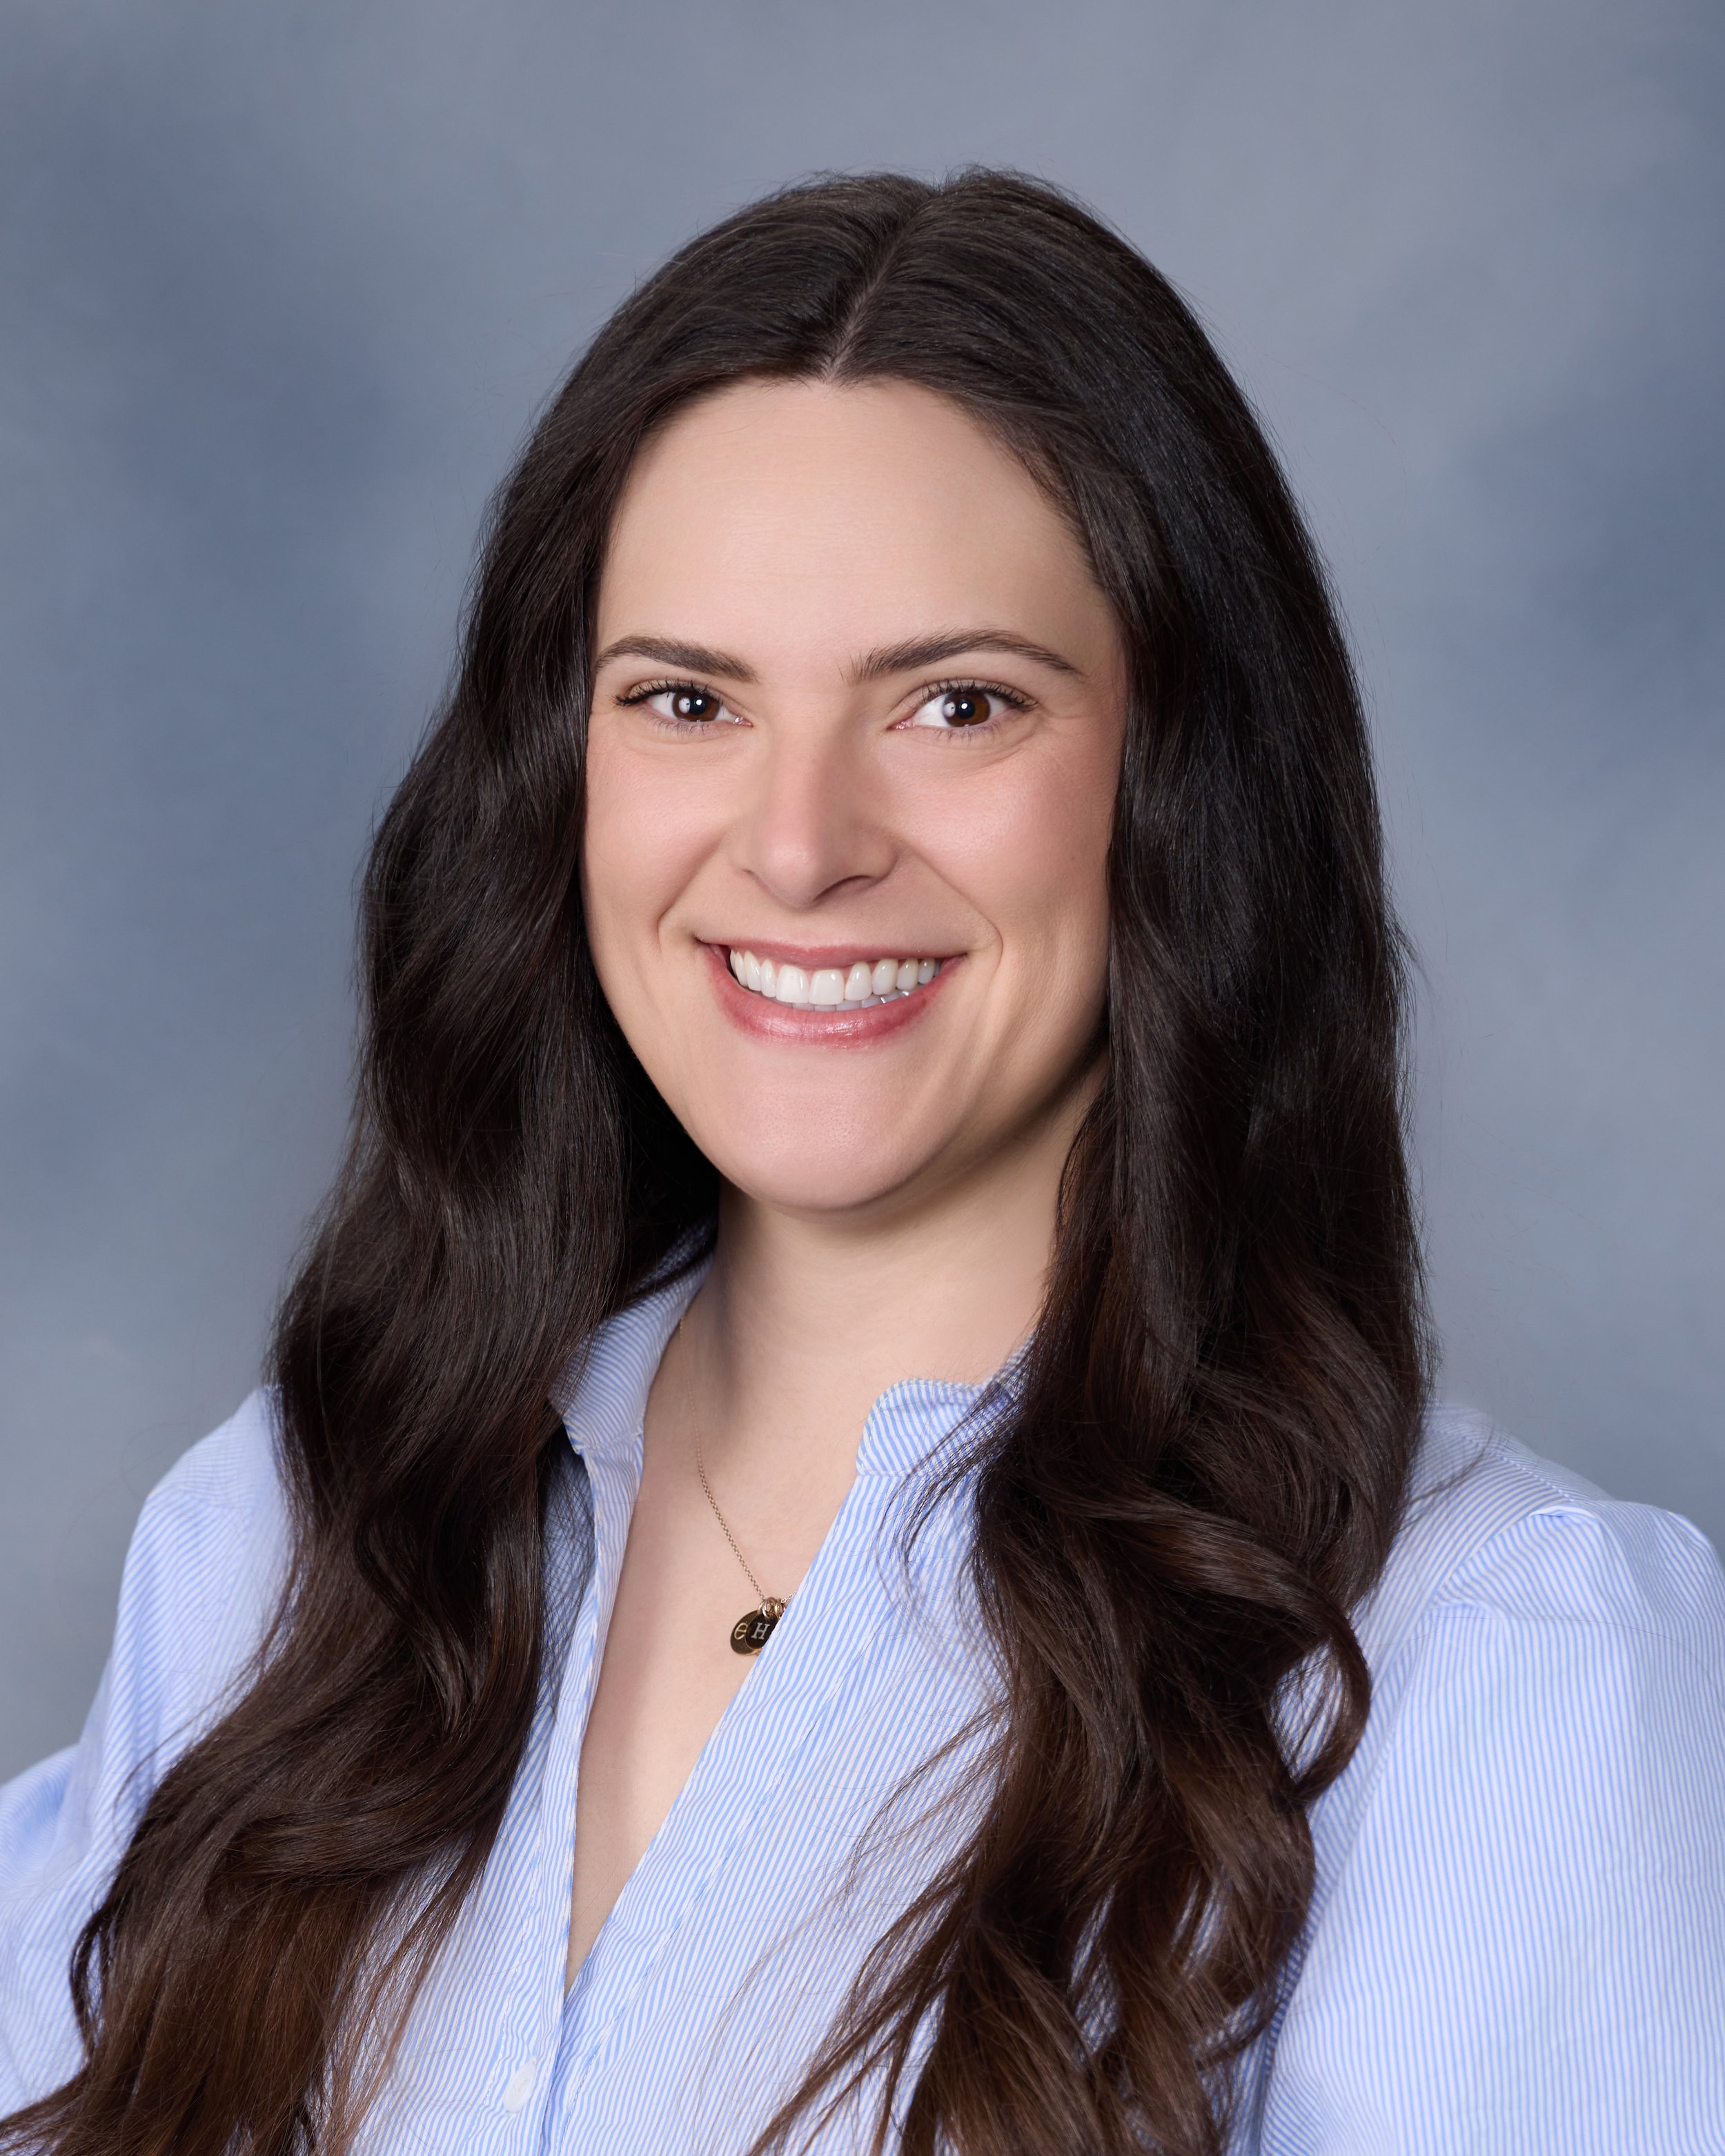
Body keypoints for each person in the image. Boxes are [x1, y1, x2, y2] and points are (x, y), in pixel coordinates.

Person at [1, 169, 1721, 2156]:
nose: (799, 841)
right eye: (684, 701)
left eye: (957, 703)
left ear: (1186, 790)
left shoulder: (1498, 1679)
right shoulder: (291, 1548)